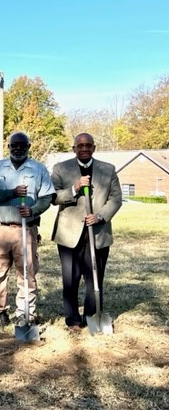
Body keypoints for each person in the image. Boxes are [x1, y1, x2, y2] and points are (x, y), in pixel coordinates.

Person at [0, 132, 55, 330]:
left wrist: (33, 209)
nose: (18, 149)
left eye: (22, 146)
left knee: (27, 273)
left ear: (28, 146)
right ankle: (0, 313)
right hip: (1, 229)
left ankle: (26, 314)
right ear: (9, 146)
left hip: (26, 230)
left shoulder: (38, 169)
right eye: (14, 145)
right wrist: (12, 193)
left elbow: (47, 197)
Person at [51, 133, 122, 331]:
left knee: (95, 279)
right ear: (74, 148)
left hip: (98, 233)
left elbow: (116, 198)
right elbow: (52, 196)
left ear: (94, 147)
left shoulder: (108, 170)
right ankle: (73, 319)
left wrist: (100, 216)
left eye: (88, 145)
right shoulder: (61, 169)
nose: (84, 148)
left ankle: (92, 316)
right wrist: (74, 189)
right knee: (70, 279)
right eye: (80, 145)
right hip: (69, 234)